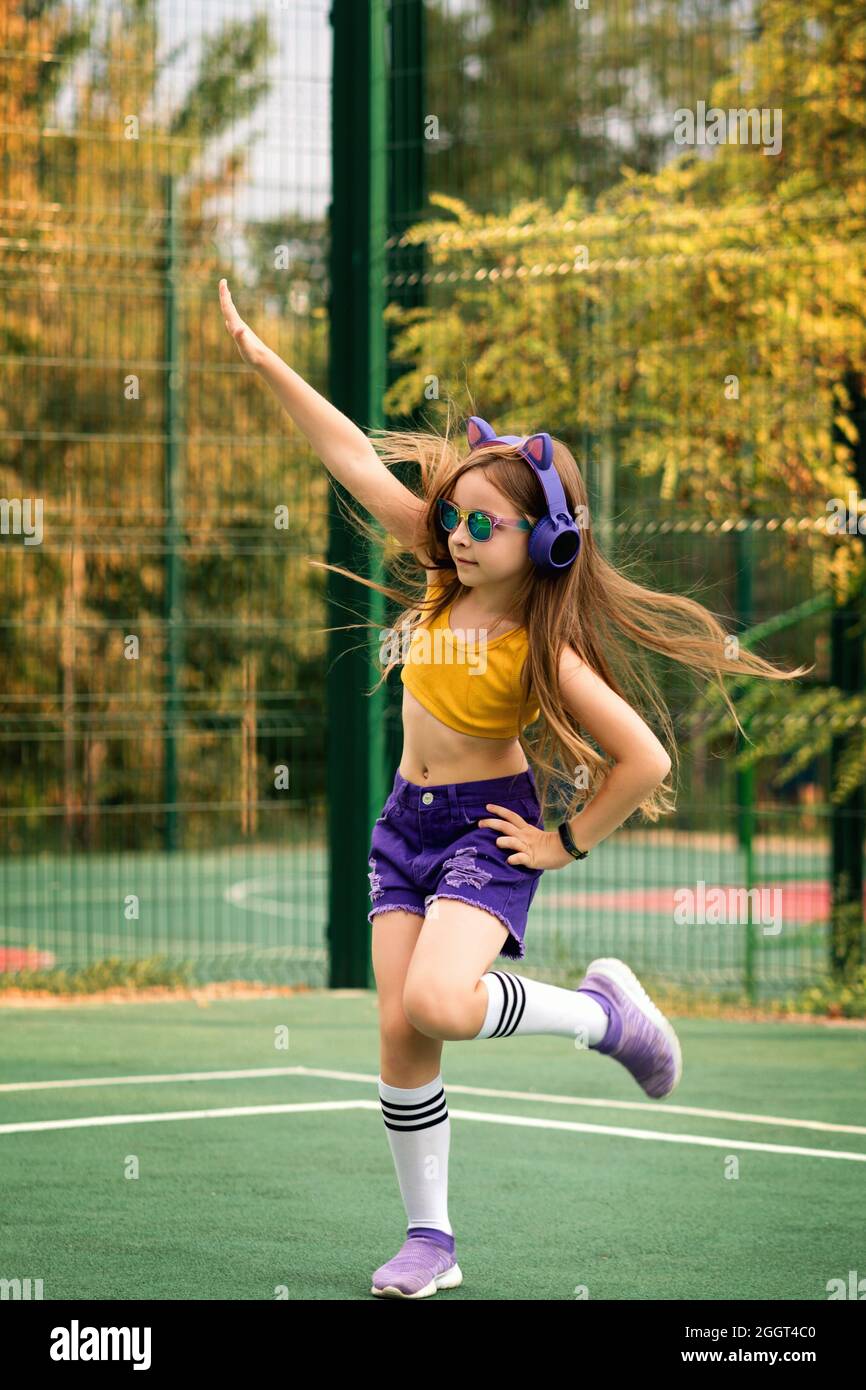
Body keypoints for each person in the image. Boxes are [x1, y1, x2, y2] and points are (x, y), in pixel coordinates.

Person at [218, 278, 811, 1301]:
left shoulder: (545, 643)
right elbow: (351, 454)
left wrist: (565, 841)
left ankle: (601, 1016)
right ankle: (430, 1241)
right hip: (401, 825)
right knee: (401, 1031)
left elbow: (645, 761)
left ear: (542, 544)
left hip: (484, 831)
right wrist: (267, 361)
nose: (455, 533)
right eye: (453, 515)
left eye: (482, 525)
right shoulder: (439, 575)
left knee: (441, 1000)